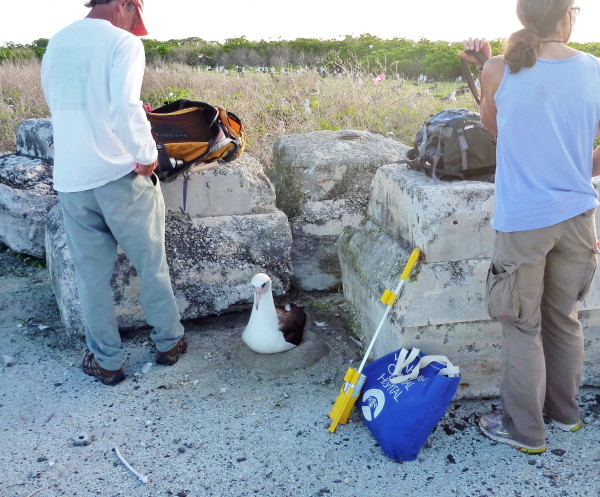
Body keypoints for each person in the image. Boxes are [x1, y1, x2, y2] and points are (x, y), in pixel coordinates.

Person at [459, 0, 600, 454]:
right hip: (578, 217)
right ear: (567, 15)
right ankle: (565, 415)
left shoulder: (497, 69)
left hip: (523, 221)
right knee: (563, 318)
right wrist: (577, 171)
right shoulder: (595, 69)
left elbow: (499, 128)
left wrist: (485, 67)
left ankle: (525, 431)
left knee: (522, 326)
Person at [41, 0, 187, 386]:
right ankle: (169, 343)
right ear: (124, 3)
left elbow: (63, 105)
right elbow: (124, 106)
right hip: (120, 175)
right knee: (151, 264)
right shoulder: (123, 43)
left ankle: (107, 362)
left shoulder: (57, 41)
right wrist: (145, 154)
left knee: (91, 278)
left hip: (73, 180)